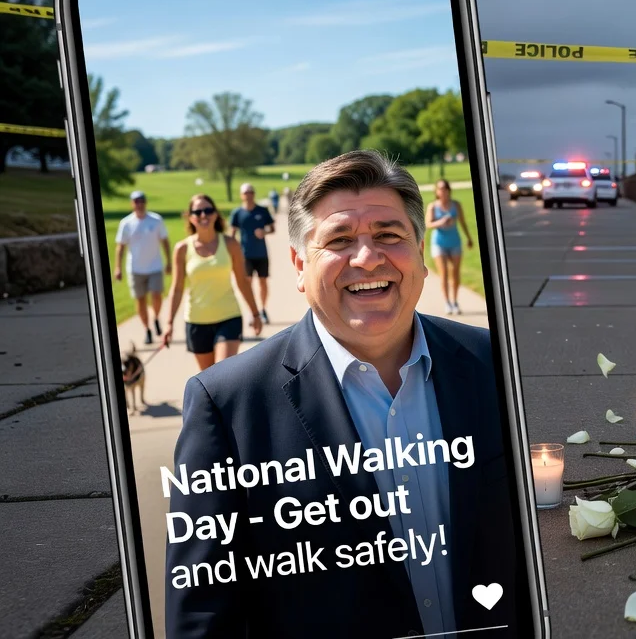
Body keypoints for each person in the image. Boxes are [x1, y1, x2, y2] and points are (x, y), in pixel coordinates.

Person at [165, 150, 516, 638]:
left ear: (420, 251)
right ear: (298, 266)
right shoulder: (226, 405)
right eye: (340, 239)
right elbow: (203, 612)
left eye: (389, 235)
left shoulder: (496, 363)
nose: (367, 257)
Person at [161, 195, 263, 370]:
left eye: (208, 210)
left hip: (228, 317)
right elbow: (177, 289)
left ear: (216, 214)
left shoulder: (230, 244)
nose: (203, 215)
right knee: (209, 381)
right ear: (190, 217)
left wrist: (255, 313)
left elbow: (242, 282)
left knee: (223, 372)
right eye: (197, 212)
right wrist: (169, 323)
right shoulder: (182, 249)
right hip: (197, 322)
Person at [114, 190, 172, 345]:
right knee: (140, 301)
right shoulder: (126, 223)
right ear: (132, 204)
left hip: (155, 266)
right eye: (136, 201)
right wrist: (118, 267)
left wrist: (169, 262)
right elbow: (120, 247)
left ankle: (156, 317)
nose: (139, 204)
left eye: (141, 201)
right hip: (135, 269)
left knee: (156, 296)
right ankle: (147, 329)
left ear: (145, 203)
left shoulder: (156, 220)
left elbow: (165, 241)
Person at [425, 178, 475, 315]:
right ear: (437, 191)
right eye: (440, 189)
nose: (443, 191)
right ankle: (447, 302)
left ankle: (455, 301)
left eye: (445, 188)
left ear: (449, 190)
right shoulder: (433, 207)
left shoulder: (456, 205)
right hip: (439, 243)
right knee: (444, 273)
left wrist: (469, 238)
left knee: (455, 273)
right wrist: (441, 222)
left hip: (455, 242)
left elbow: (463, 223)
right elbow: (428, 224)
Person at [229, 182, 276, 324]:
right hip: (245, 255)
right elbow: (231, 235)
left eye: (251, 192)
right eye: (245, 193)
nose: (248, 195)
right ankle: (252, 311)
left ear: (254, 194)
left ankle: (263, 310)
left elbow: (272, 228)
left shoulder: (262, 211)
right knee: (247, 283)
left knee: (263, 282)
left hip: (261, 253)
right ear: (241, 195)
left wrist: (264, 232)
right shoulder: (237, 213)